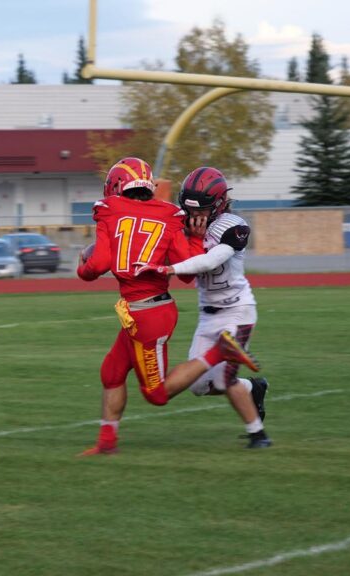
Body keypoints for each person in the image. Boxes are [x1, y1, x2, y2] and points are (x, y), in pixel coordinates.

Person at [77, 157, 260, 456]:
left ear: (116, 186)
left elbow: (96, 266)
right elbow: (187, 276)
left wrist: (81, 266)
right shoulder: (169, 215)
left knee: (157, 394)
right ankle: (106, 444)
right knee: (112, 371)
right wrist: (198, 238)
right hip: (147, 310)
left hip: (148, 314)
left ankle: (221, 351)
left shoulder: (108, 210)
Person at [134, 167, 272, 449]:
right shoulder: (181, 223)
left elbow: (210, 261)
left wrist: (167, 268)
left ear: (219, 204)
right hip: (207, 314)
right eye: (188, 209)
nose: (194, 216)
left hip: (237, 311)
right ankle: (254, 388)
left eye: (203, 209)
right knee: (201, 386)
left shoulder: (234, 226)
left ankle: (259, 435)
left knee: (225, 377)